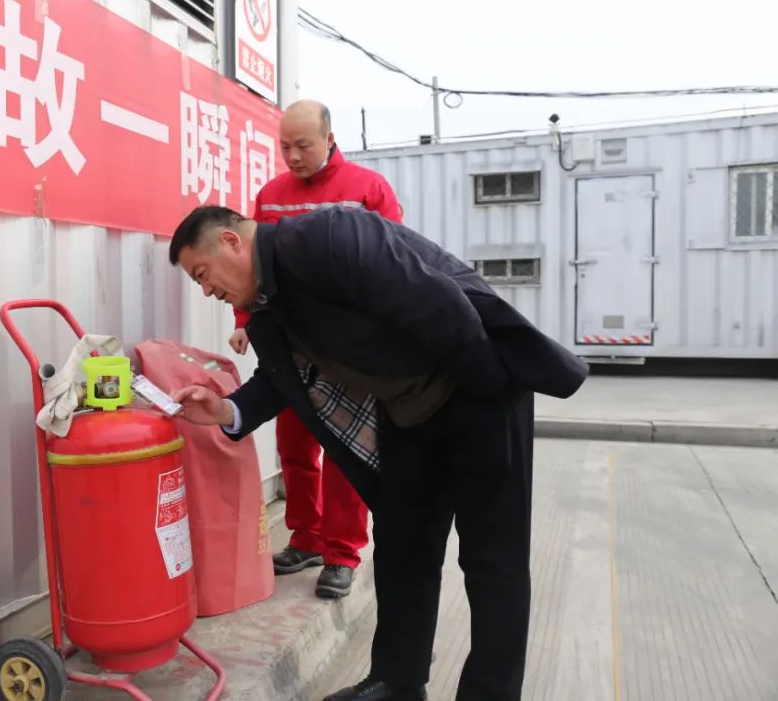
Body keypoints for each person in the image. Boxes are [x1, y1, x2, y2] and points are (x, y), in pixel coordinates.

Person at [168, 205, 588, 701]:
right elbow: (279, 378)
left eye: (202, 274)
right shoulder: (267, 312)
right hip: (409, 413)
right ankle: (398, 682)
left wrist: (486, 395)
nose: (206, 290)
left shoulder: (329, 236)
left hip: (480, 386)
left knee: (492, 559)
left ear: (232, 242)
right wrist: (226, 410)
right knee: (402, 547)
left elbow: (441, 305)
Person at [231, 99, 403, 600]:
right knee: (295, 447)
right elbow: (250, 267)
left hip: (349, 351)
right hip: (291, 346)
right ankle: (306, 538)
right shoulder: (271, 196)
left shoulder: (368, 190)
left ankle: (342, 553)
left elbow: (396, 263)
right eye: (284, 146)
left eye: (303, 145)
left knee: (345, 451)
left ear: (329, 139)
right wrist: (244, 321)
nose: (292, 156)